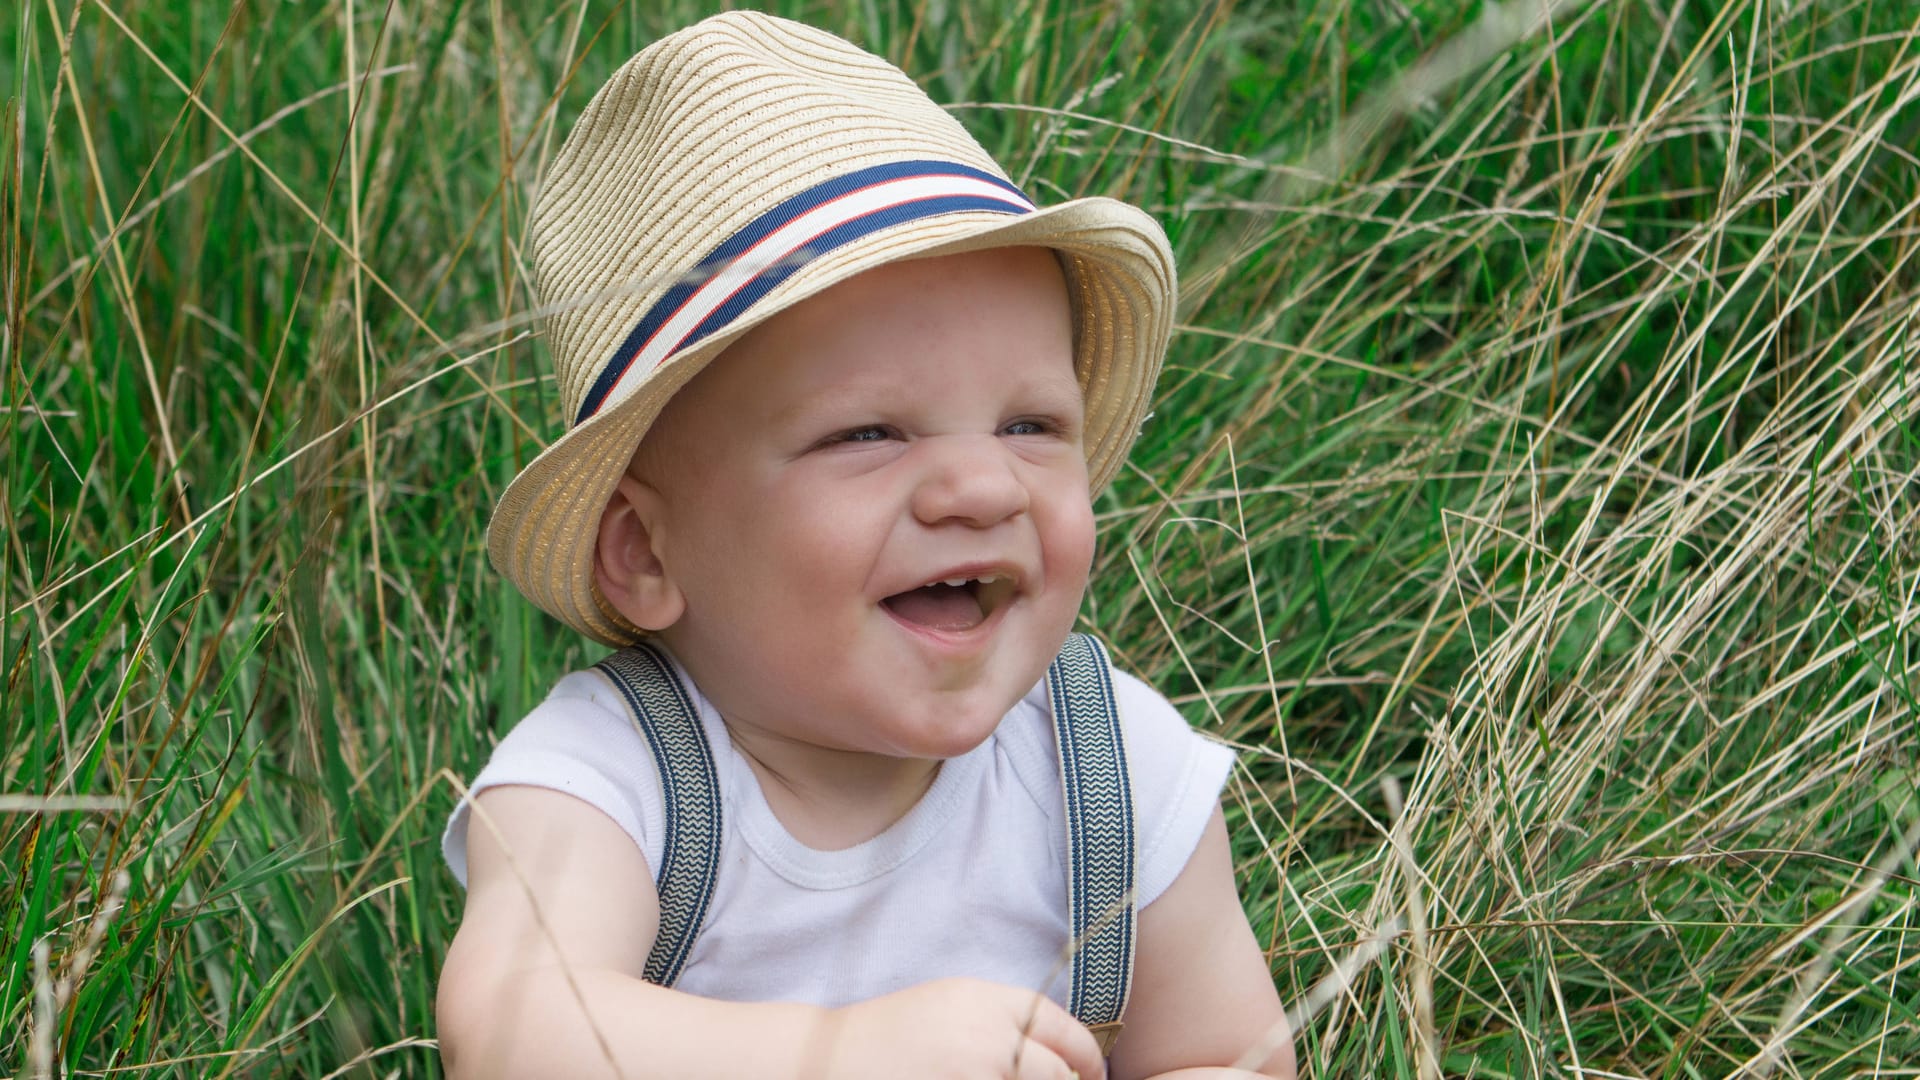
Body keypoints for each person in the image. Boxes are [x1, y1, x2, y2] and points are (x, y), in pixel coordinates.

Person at [435, 11, 1294, 1079]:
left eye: (1030, 425)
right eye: (867, 434)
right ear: (647, 554)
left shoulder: (1112, 768)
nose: (983, 485)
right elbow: (510, 1028)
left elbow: (1228, 1057)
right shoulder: (612, 778)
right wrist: (838, 1052)